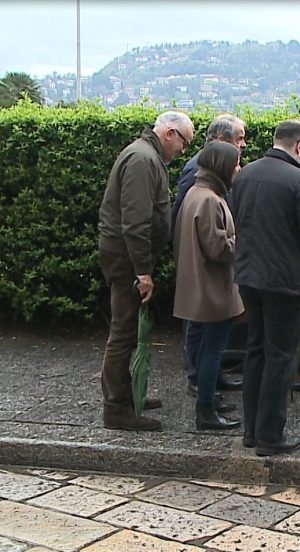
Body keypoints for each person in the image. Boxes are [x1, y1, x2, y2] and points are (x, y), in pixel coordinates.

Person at [232, 119, 300, 456]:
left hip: (248, 276)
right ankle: (271, 435)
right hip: (287, 281)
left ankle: (251, 430)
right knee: (280, 356)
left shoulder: (245, 173)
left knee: (256, 350)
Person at [97, 110, 194, 431]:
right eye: (183, 142)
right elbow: (135, 222)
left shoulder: (146, 155)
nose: (183, 150)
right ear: (169, 133)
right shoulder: (143, 160)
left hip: (127, 256)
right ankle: (116, 408)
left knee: (126, 329)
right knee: (124, 332)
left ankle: (125, 395)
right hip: (126, 258)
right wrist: (142, 271)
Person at [171, 114, 248, 402]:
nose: (239, 168)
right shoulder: (208, 198)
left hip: (204, 281)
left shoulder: (201, 191)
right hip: (211, 285)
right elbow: (218, 248)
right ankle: (206, 403)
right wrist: (243, 239)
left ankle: (209, 391)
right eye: (235, 164)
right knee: (211, 347)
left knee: (210, 347)